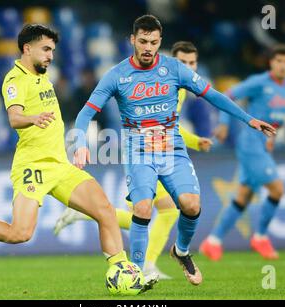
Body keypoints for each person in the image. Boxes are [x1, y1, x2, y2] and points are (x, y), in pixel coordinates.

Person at [0, 24, 152, 291]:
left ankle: (123, 273)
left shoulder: (42, 76)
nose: (51, 56)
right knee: (20, 233)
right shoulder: (15, 80)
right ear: (27, 48)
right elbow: (13, 117)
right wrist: (31, 118)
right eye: (46, 49)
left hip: (59, 164)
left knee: (104, 211)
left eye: (53, 50)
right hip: (32, 166)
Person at [72, 15, 276, 285]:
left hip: (172, 150)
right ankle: (135, 272)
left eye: (153, 42)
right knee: (143, 207)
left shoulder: (174, 69)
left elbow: (212, 94)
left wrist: (248, 119)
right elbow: (86, 112)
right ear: (132, 40)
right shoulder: (117, 75)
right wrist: (80, 144)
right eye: (142, 41)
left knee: (191, 205)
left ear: (160, 42)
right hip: (139, 152)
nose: (147, 47)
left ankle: (181, 251)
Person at [54, 41, 213, 280]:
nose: (187, 67)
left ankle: (86, 215)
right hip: (144, 155)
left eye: (192, 63)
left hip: (162, 153)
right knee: (162, 212)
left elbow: (172, 128)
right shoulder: (165, 83)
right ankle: (147, 265)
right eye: (183, 62)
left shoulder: (179, 88)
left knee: (146, 215)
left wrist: (192, 141)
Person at [199, 44, 285, 261]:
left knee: (243, 196)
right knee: (278, 189)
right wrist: (223, 123)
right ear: (271, 63)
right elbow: (227, 95)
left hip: (265, 144)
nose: (283, 66)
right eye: (279, 61)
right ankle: (260, 237)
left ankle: (213, 241)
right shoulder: (258, 82)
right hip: (250, 143)